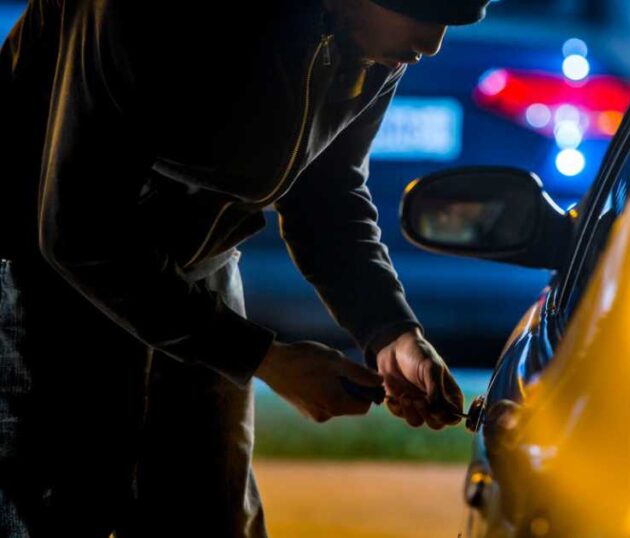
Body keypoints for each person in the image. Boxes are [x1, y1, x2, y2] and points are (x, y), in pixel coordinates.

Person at [0, 0, 489, 536]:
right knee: (59, 503)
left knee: (212, 512)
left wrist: (390, 331)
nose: (434, 43)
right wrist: (263, 358)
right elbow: (80, 230)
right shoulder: (143, 14)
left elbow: (328, 196)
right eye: (424, 11)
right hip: (42, 277)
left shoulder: (374, 47)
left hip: (200, 272)